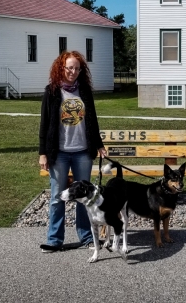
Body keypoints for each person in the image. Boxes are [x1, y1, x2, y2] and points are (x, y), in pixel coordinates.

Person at [38, 51, 107, 253]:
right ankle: (54, 240)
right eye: (69, 67)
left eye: (77, 68)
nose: (73, 72)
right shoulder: (51, 91)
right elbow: (44, 125)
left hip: (83, 153)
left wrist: (99, 145)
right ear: (62, 67)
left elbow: (92, 121)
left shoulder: (84, 91)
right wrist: (43, 153)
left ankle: (87, 237)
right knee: (57, 197)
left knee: (84, 198)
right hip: (58, 153)